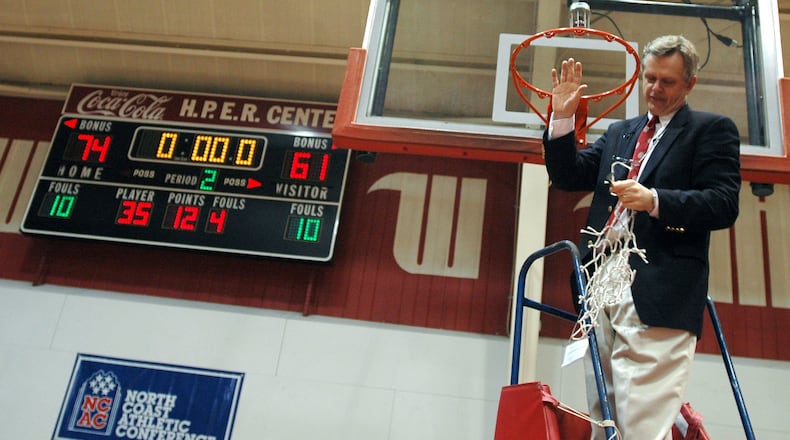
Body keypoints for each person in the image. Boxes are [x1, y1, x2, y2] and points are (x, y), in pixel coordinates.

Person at [542, 35, 741, 439]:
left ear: (690, 84)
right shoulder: (621, 131)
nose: (655, 88)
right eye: (650, 78)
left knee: (641, 420)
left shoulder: (711, 130)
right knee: (604, 417)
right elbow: (567, 176)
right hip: (601, 283)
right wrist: (562, 119)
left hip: (659, 286)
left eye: (667, 81)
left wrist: (654, 200)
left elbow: (723, 203)